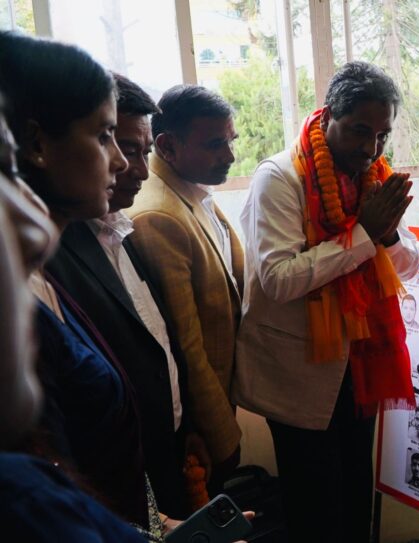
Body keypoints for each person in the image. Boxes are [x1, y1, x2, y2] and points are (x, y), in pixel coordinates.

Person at [233, 62, 419, 543]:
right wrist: (364, 234)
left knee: (356, 494)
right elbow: (278, 279)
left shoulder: (373, 176)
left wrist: (387, 233)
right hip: (300, 371)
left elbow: (410, 265)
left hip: (361, 362)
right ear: (329, 114)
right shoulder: (280, 178)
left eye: (382, 135)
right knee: (316, 508)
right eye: (360, 130)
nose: (371, 148)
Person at [0, 31, 153, 530]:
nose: (122, 163)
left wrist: (152, 523)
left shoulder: (44, 276)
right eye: (104, 136)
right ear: (36, 144)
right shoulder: (16, 303)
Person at [44, 73, 201, 519]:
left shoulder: (122, 228)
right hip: (114, 482)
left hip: (164, 451)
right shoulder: (50, 253)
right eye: (124, 148)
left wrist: (185, 424)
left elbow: (156, 341)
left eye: (141, 151)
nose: (137, 169)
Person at [126, 84, 243, 492]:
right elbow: (186, 345)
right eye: (215, 144)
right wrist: (222, 436)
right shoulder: (158, 215)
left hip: (220, 400)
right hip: (200, 424)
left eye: (230, 141)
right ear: (168, 146)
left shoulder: (189, 188)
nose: (230, 156)